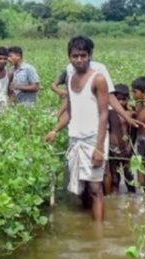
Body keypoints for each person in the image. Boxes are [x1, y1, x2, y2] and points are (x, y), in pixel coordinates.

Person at [45, 36, 109, 221]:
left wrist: (99, 148)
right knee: (81, 188)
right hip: (76, 139)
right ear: (69, 57)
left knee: (96, 189)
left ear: (90, 55)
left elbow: (104, 114)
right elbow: (70, 112)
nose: (79, 60)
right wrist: (55, 130)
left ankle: (98, 233)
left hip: (93, 139)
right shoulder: (71, 79)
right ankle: (90, 228)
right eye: (75, 56)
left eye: (83, 55)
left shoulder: (98, 79)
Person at [103, 84, 135, 194]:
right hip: (112, 149)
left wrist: (131, 147)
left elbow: (133, 132)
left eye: (124, 99)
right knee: (115, 177)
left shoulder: (130, 114)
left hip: (126, 149)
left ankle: (132, 198)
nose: (121, 102)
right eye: (118, 99)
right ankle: (114, 199)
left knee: (129, 176)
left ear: (128, 99)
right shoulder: (109, 113)